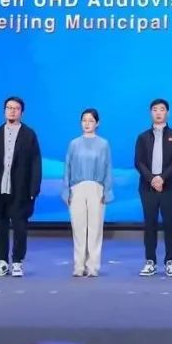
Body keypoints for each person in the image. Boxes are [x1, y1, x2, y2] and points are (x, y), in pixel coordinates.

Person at [0, 96, 42, 277]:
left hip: (21, 190)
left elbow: (36, 163)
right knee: (0, 227)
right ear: (4, 111)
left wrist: (34, 188)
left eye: (16, 108)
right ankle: (2, 262)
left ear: (22, 112)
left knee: (20, 227)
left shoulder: (29, 135)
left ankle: (17, 262)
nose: (12, 111)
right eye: (9, 107)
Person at [134, 99, 172, 277]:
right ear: (151, 113)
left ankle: (171, 262)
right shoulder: (142, 137)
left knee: (170, 224)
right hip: (147, 187)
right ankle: (150, 261)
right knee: (150, 224)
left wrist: (162, 178)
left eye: (162, 109)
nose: (158, 112)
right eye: (155, 109)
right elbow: (138, 162)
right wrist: (152, 179)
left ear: (167, 113)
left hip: (169, 186)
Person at [62, 108, 113, 277]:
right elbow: (68, 167)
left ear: (97, 123)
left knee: (95, 229)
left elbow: (108, 167)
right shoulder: (74, 144)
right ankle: (78, 266)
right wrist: (66, 190)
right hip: (77, 188)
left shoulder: (103, 144)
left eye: (91, 121)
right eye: (84, 120)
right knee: (78, 229)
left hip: (96, 188)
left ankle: (92, 267)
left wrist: (107, 190)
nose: (87, 124)